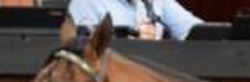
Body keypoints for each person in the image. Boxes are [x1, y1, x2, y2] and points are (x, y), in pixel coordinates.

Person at [67, 0, 201, 39]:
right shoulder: (85, 2)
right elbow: (85, 53)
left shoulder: (158, 1)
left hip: (154, 80)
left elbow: (197, 31)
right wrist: (134, 44)